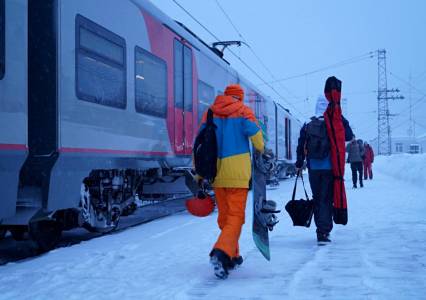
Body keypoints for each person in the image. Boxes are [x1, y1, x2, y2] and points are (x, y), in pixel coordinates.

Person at [195, 84, 264, 279]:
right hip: (237, 174)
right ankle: (221, 252)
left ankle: (233, 256)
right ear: (239, 97)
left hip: (216, 173)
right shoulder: (243, 110)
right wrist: (261, 149)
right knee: (235, 218)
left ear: (225, 95)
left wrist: (199, 174)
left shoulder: (210, 112)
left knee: (225, 218)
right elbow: (258, 139)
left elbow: (199, 144)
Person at [295, 92, 353, 244]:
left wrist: (299, 164)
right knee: (326, 199)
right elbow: (349, 135)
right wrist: (339, 116)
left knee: (318, 198)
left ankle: (320, 229)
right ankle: (323, 232)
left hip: (313, 168)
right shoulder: (334, 122)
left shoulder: (308, 124)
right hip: (329, 168)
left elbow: (301, 146)